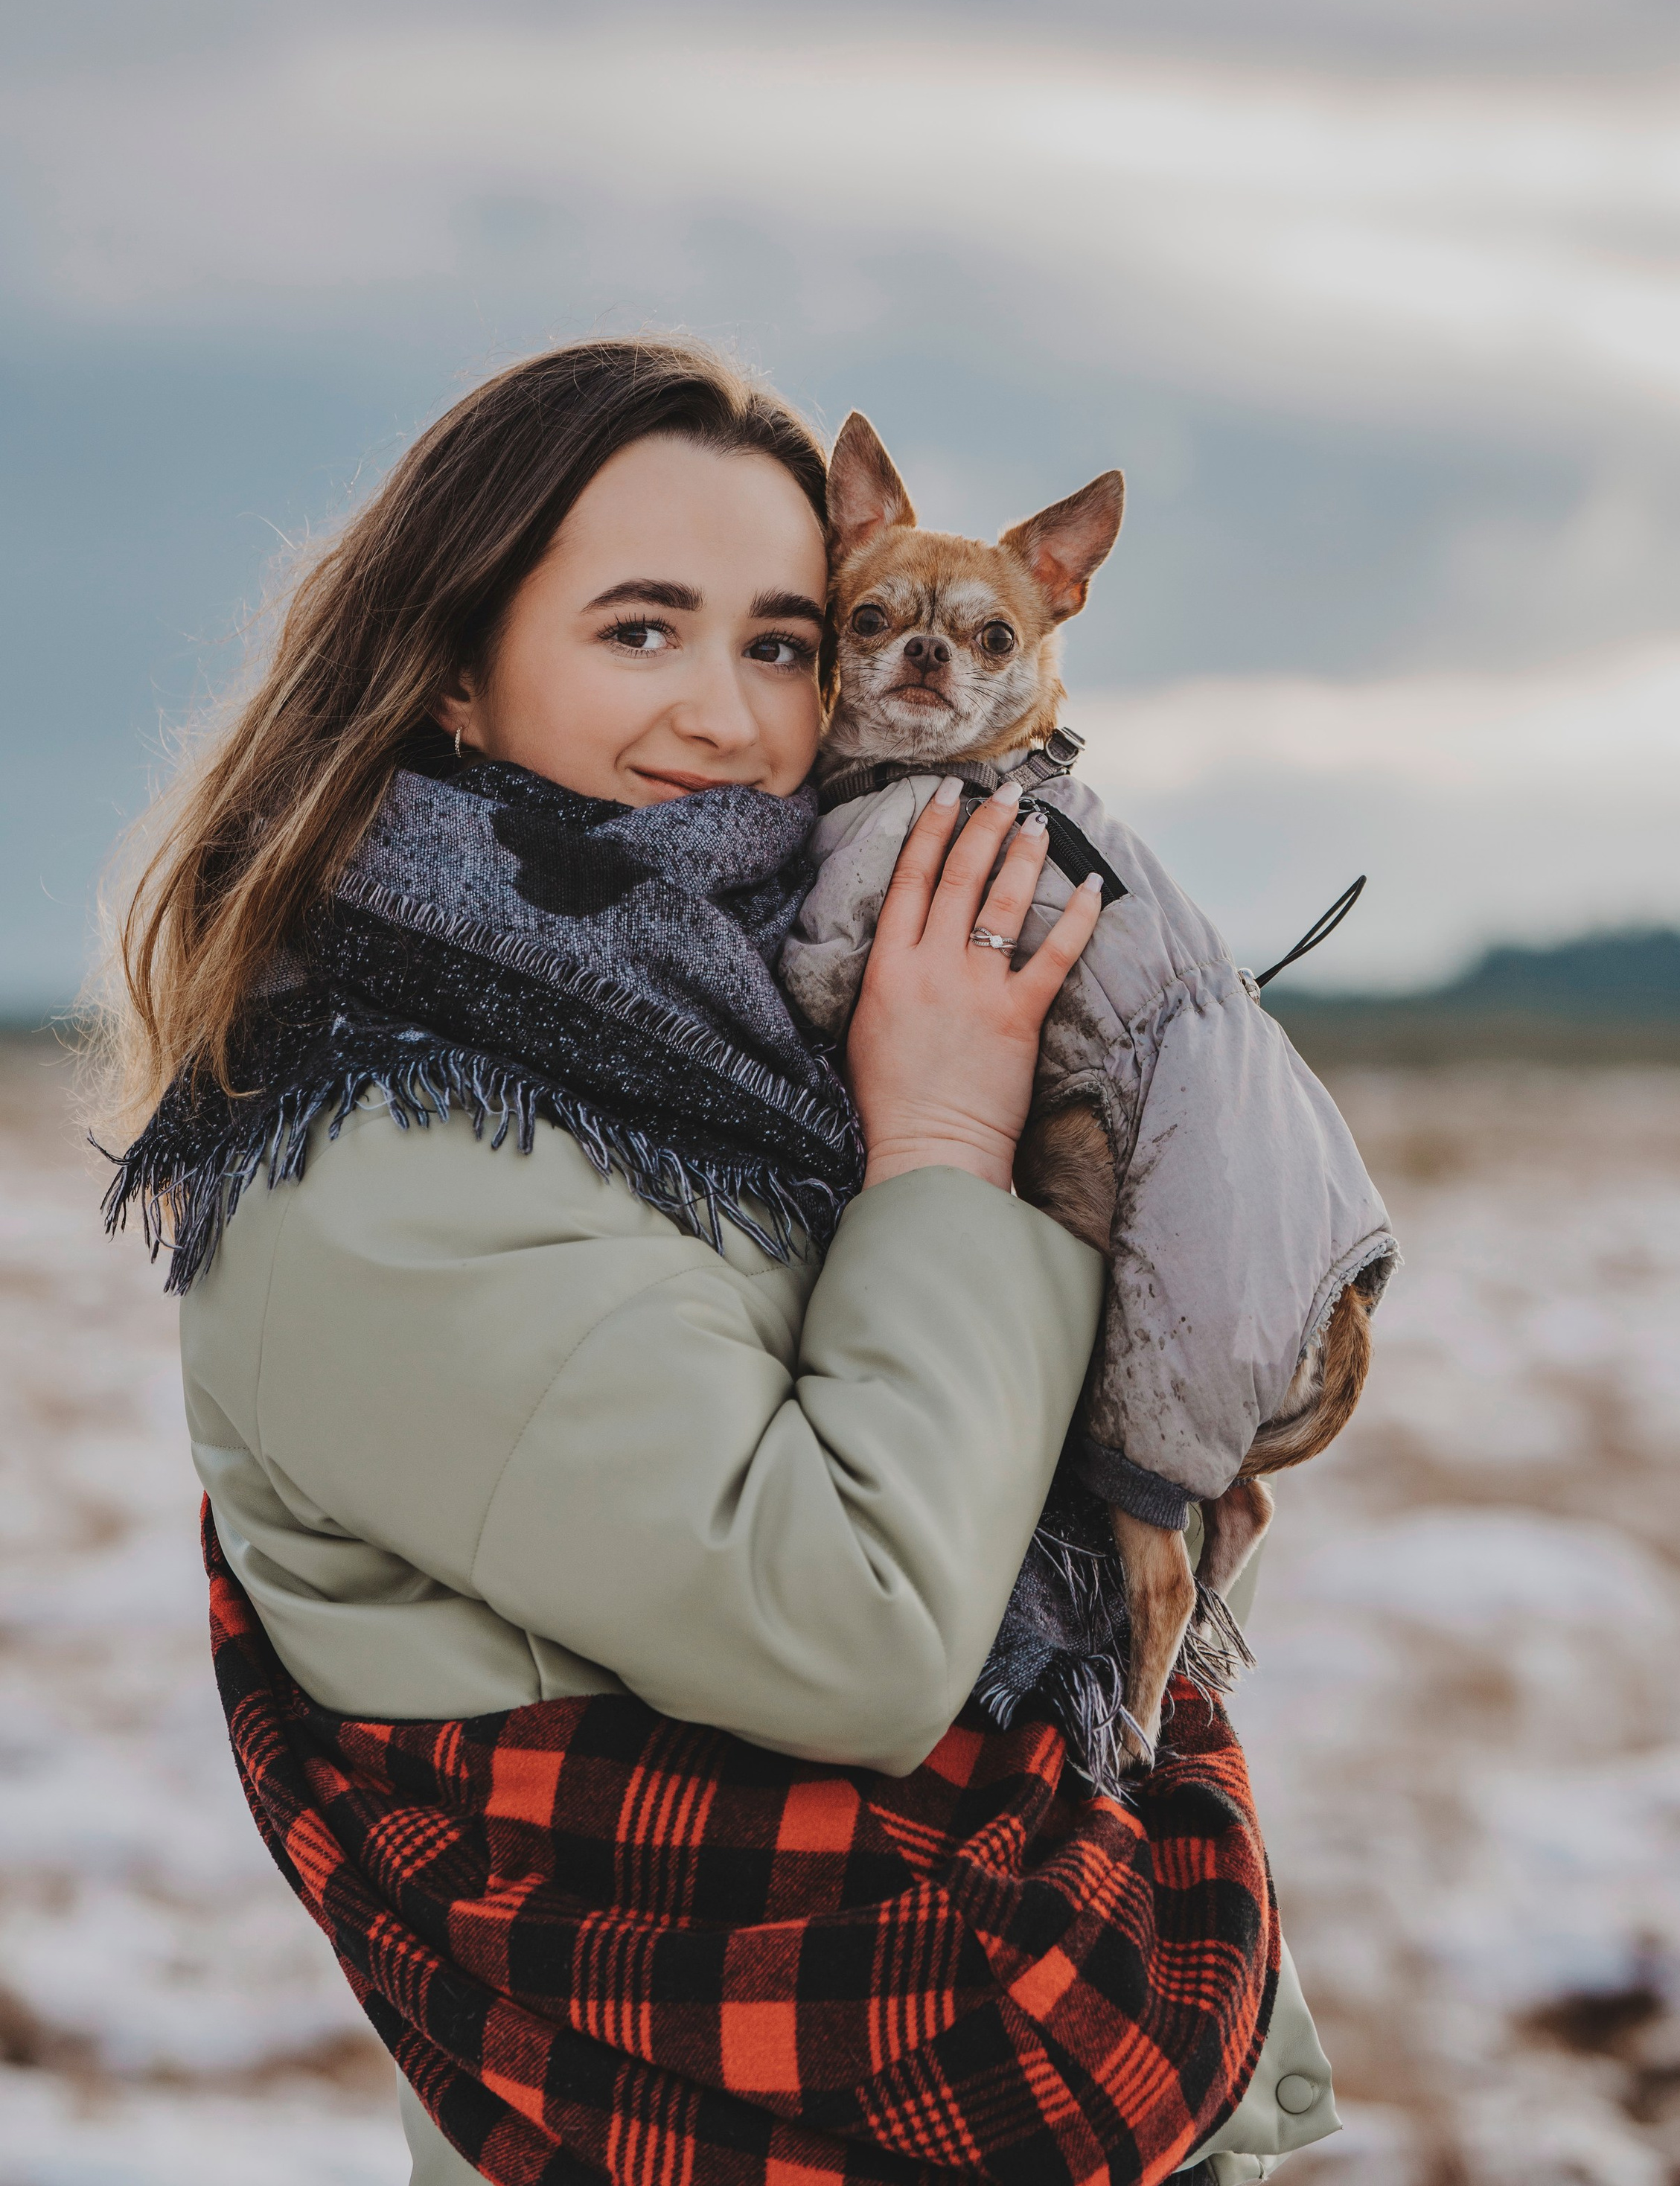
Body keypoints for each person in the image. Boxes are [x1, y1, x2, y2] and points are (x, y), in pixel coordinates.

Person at [98, 339, 1329, 2185]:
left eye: (775, 640)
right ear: (447, 669)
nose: (729, 713)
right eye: (636, 629)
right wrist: (936, 1146)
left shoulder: (734, 1031)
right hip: (786, 2095)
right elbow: (855, 1636)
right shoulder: (387, 1160)